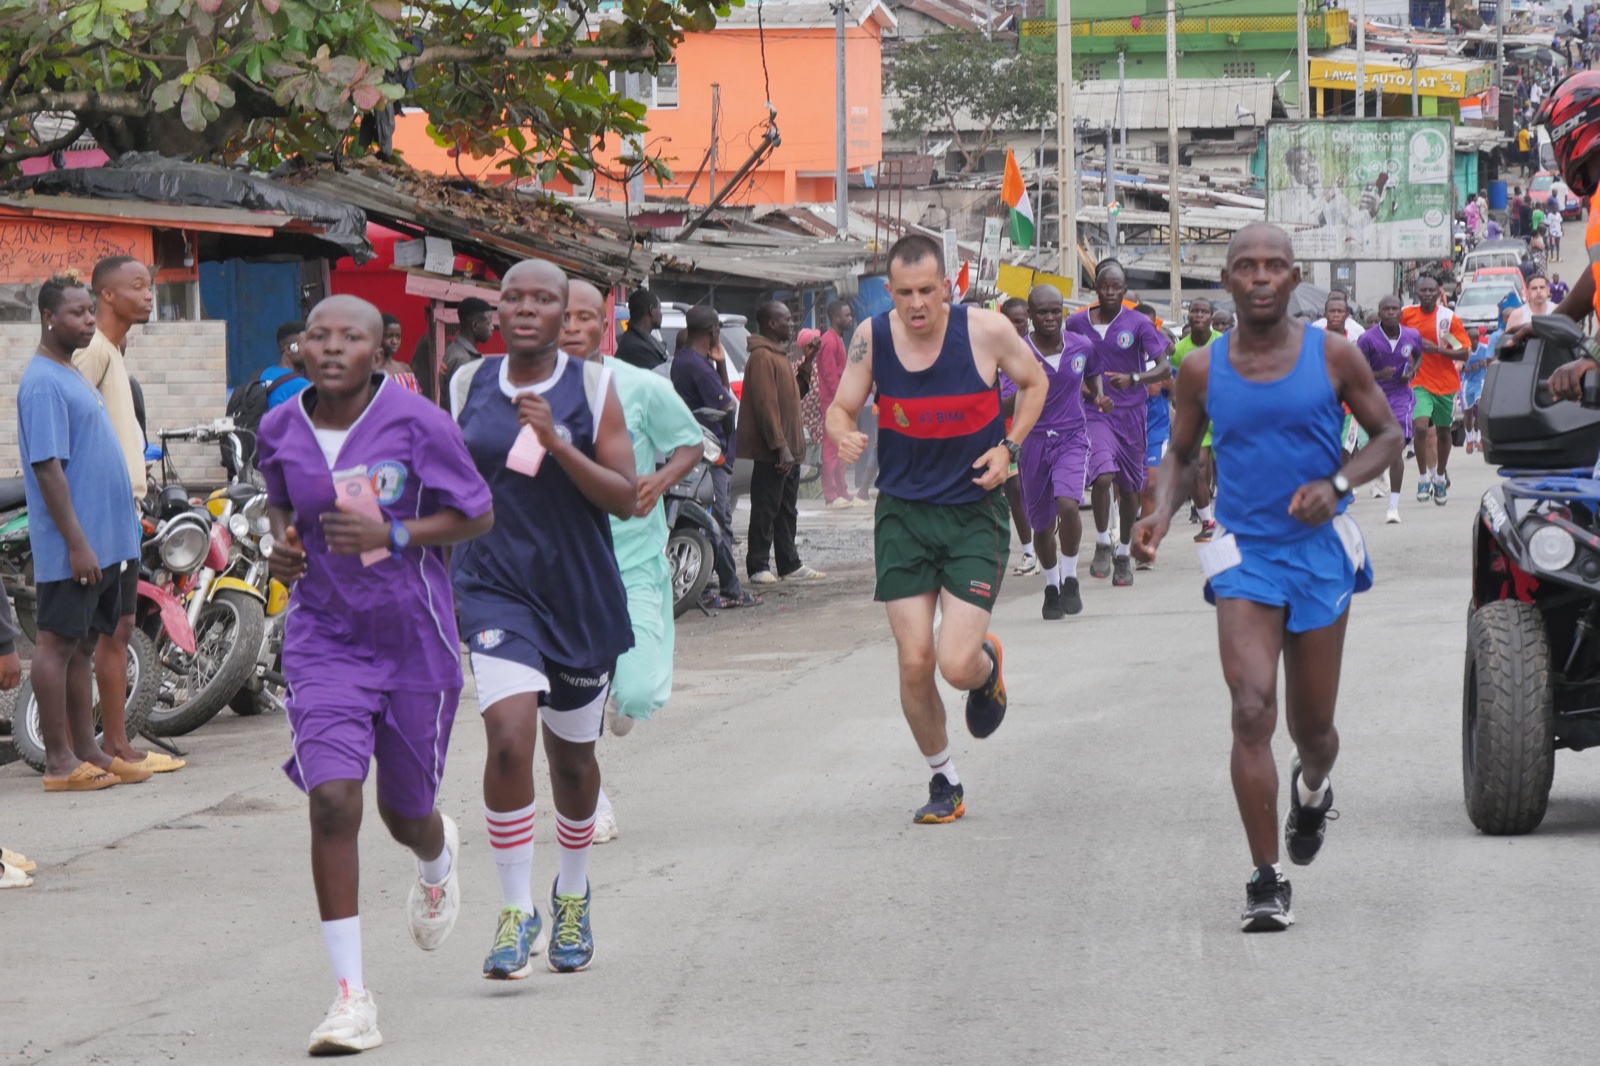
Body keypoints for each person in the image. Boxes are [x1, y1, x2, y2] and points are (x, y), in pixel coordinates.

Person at [1131, 222, 1403, 932]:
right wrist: (1159, 512)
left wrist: (1338, 484)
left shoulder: (1335, 355)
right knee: (1252, 709)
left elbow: (1388, 436)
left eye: (1273, 267)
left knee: (1315, 731)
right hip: (1245, 555)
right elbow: (1182, 454)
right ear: (1225, 281)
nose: (1259, 278)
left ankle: (1312, 790)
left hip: (1318, 554)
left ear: (1293, 279)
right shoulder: (1201, 369)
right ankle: (1264, 878)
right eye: (1244, 266)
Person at [259, 295, 492, 1053]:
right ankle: (352, 998)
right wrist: (282, 546)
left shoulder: (418, 422)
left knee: (405, 811)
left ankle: (436, 853)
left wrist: (395, 531)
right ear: (301, 348)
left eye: (349, 337)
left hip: (412, 642)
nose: (330, 348)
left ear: (379, 349)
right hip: (324, 639)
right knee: (332, 802)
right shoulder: (280, 426)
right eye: (317, 335)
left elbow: (477, 512)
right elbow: (281, 505)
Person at [451, 260, 637, 981]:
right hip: (495, 589)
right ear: (496, 310)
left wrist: (558, 443)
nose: (525, 309)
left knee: (572, 761)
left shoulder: (593, 387)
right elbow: (451, 479)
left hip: (578, 595)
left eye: (544, 300)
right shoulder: (469, 384)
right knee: (507, 740)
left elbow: (624, 497)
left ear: (568, 314)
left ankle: (572, 892)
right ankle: (513, 909)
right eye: (513, 297)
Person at [825, 234, 1046, 824]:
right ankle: (944, 779)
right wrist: (840, 430)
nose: (916, 304)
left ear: (946, 285)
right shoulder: (872, 337)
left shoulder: (987, 331)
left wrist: (1010, 448)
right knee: (915, 661)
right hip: (903, 514)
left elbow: (1034, 385)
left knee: (954, 663)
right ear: (890, 292)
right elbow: (841, 406)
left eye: (927, 290)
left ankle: (986, 669)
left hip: (974, 511)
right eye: (904, 293)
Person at [560, 279, 705, 842]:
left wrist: (661, 479)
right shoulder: (529, 394)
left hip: (634, 563)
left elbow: (693, 441)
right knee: (572, 702)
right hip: (567, 572)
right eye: (562, 317)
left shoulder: (640, 387)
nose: (571, 327)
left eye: (584, 317)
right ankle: (590, 801)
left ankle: (617, 697)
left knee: (636, 693)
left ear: (606, 324)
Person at [19, 274, 147, 792]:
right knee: (54, 645)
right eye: (77, 313)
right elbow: (48, 468)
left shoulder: (70, 373)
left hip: (104, 542)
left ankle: (85, 749)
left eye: (90, 312)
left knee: (84, 646)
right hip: (75, 547)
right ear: (50, 318)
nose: (89, 321)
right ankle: (57, 763)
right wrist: (76, 544)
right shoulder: (42, 382)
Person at [73, 256, 184, 774]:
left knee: (119, 628)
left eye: (150, 286)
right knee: (96, 633)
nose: (148, 295)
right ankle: (97, 748)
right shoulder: (92, 350)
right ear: (105, 294)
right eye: (136, 286)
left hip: (126, 506)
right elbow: (70, 428)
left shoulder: (114, 349)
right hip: (100, 510)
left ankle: (119, 744)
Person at [1065, 258, 1173, 588]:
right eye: (1104, 286)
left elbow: (1164, 368)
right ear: (1095, 288)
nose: (1110, 291)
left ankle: (1123, 552)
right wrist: (1089, 392)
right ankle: (1101, 541)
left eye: (1116, 287)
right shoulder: (1076, 323)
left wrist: (1135, 377)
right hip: (1096, 412)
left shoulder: (1138, 323)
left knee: (1130, 490)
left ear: (1125, 291)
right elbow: (1069, 368)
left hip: (1132, 415)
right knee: (1102, 476)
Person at [1014, 284, 1097, 618]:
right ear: (1031, 316)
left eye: (1055, 310)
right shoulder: (1017, 352)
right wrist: (1029, 392)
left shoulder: (1081, 346)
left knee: (1068, 504)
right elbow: (1008, 403)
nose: (1050, 317)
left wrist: (1099, 395)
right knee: (1042, 526)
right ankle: (1051, 586)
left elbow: (1093, 373)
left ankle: (1071, 577)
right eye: (1042, 312)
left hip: (1071, 437)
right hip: (1032, 441)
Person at [671, 306, 758, 606]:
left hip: (699, 451)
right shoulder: (696, 365)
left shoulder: (685, 360)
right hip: (712, 454)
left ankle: (707, 581)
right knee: (719, 520)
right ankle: (731, 589)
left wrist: (720, 364)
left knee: (711, 519)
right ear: (713, 332)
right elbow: (726, 405)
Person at [743, 302, 828, 585]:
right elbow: (766, 407)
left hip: (789, 451)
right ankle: (757, 566)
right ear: (770, 324)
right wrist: (779, 446)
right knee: (766, 508)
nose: (791, 325)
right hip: (775, 452)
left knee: (786, 510)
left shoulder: (778, 356)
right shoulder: (761, 357)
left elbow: (795, 394)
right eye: (786, 320)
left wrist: (808, 362)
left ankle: (789, 563)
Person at [1401, 275, 1470, 505]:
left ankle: (1439, 478)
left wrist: (1439, 350)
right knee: (1420, 428)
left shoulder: (1447, 320)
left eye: (1432, 291)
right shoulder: (1407, 315)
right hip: (1418, 381)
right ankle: (1422, 478)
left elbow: (1463, 352)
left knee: (1443, 433)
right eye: (1424, 291)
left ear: (1439, 294)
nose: (1428, 294)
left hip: (1445, 384)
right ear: (1418, 293)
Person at [1356, 295, 1423, 524]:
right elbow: (1357, 369)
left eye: (1395, 308)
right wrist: (1377, 374)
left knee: (1396, 448)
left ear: (1400, 313)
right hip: (1374, 395)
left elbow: (1419, 355)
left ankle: (1393, 507)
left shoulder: (1412, 335)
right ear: (1380, 312)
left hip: (1400, 394)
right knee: (1380, 444)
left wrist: (1412, 371)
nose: (1391, 312)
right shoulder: (1367, 339)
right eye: (1386, 309)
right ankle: (1379, 467)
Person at [1170, 298, 1219, 542]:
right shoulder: (1180, 349)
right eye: (1194, 311)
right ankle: (1208, 522)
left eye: (1204, 311)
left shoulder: (1223, 343)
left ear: (1211, 316)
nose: (1199, 315)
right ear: (1188, 315)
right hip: (1198, 418)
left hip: (1224, 416)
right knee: (1193, 469)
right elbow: (1171, 379)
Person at [999, 297, 1040, 576]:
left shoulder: (1035, 351)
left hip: (1033, 430)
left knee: (1035, 492)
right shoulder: (993, 349)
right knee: (1014, 491)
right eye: (1010, 321)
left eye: (1020, 321)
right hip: (1003, 433)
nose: (1016, 326)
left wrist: (1024, 393)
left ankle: (1043, 541)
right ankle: (1029, 552)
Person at [815, 300, 855, 508]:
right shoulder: (829, 341)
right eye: (846, 315)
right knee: (831, 450)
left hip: (841, 403)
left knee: (842, 448)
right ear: (835, 318)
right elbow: (830, 377)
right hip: (833, 404)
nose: (850, 318)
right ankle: (831, 494)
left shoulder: (837, 339)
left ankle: (841, 490)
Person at [440, 297, 494, 401]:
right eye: (488, 323)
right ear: (475, 325)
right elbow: (461, 404)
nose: (492, 327)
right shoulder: (462, 359)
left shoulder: (454, 350)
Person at [614, 288, 669, 371]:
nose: (661, 314)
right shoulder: (637, 348)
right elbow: (661, 378)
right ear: (651, 310)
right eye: (659, 308)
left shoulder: (637, 339)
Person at [378, 313, 419, 392]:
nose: (394, 341)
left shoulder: (405, 368)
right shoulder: (372, 370)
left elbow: (415, 397)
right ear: (378, 336)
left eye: (398, 337)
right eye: (389, 336)